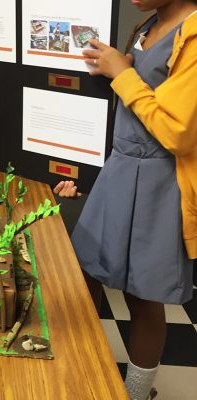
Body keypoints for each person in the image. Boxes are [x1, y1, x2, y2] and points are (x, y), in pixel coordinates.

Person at [55, 1, 197, 399]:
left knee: (144, 295)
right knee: (85, 271)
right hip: (120, 168)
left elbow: (178, 133)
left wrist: (124, 73)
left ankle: (135, 393)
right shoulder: (148, 21)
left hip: (161, 181)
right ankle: (79, 367)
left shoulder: (193, 33)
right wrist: (115, 69)